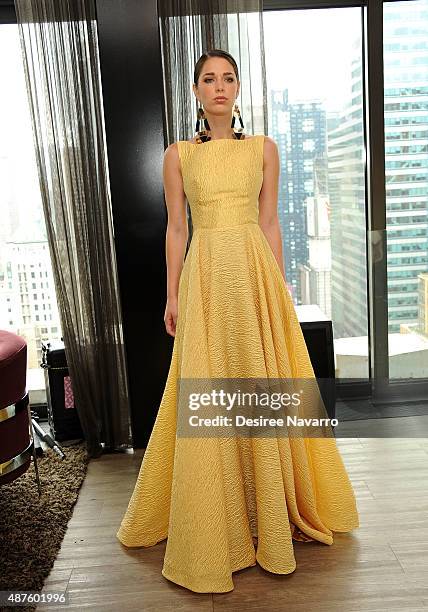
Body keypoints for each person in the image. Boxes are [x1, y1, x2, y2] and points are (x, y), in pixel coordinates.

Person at [116, 49, 359, 593]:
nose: (219, 87)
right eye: (209, 79)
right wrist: (171, 294)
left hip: (253, 274)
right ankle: (221, 515)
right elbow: (176, 230)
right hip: (204, 277)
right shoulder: (177, 154)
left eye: (228, 79)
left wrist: (279, 286)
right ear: (197, 91)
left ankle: (269, 509)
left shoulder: (265, 149)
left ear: (238, 88)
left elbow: (270, 220)